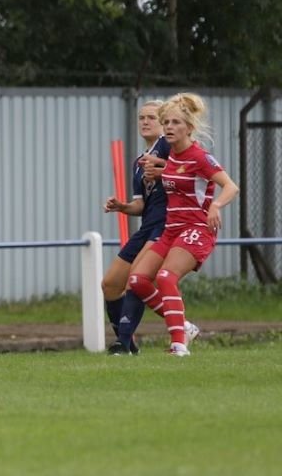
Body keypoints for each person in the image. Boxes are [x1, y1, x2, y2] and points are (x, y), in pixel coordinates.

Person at [125, 93, 239, 357]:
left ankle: (178, 345)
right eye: (166, 122)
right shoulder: (172, 157)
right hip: (171, 230)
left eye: (175, 122)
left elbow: (231, 187)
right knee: (138, 280)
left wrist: (215, 205)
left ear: (189, 127)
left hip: (197, 230)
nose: (168, 127)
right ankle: (184, 326)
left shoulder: (200, 156)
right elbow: (177, 177)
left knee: (166, 277)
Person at [101, 101, 173, 354]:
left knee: (136, 279)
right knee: (109, 284)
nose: (144, 122)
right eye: (141, 117)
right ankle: (129, 343)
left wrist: (164, 170)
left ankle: (122, 344)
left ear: (164, 121)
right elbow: (140, 205)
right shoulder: (139, 162)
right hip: (147, 226)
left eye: (151, 117)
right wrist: (121, 206)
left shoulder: (168, 146)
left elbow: (189, 171)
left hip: (167, 225)